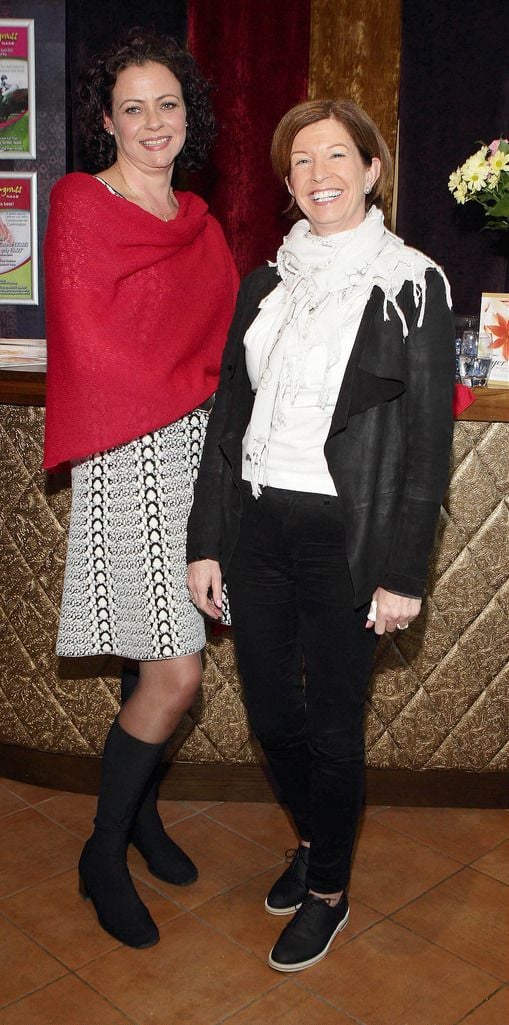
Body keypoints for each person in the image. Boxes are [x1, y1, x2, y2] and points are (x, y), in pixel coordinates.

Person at [187, 99, 455, 973]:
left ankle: (328, 888)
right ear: (287, 179)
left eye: (336, 155)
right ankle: (315, 836)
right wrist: (207, 538)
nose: (318, 174)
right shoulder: (266, 280)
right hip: (259, 523)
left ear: (372, 169)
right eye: (300, 161)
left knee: (335, 730)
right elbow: (230, 416)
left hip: (348, 534)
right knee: (272, 713)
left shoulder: (411, 283)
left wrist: (401, 571)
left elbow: (425, 447)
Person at [43, 29, 238, 949]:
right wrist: (176, 389)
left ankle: (142, 818)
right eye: (134, 107)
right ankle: (100, 850)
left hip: (199, 451)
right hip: (129, 453)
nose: (154, 121)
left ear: (187, 113)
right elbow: (94, 341)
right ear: (106, 121)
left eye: (168, 103)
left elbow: (229, 346)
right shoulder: (83, 204)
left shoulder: (201, 221)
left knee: (143, 649)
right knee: (175, 666)